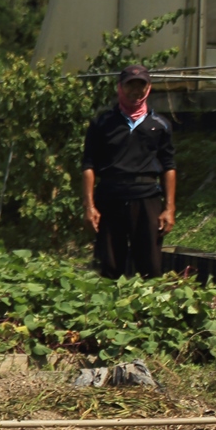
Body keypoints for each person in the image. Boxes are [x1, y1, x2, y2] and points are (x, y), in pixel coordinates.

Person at [81, 62, 175, 278]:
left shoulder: (160, 124)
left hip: (146, 197)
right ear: (120, 87)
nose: (136, 91)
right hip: (111, 196)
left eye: (141, 85)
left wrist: (169, 208)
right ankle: (109, 309)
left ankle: (147, 310)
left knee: (150, 265)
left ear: (148, 88)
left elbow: (169, 167)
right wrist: (89, 206)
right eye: (130, 85)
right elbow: (89, 165)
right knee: (110, 265)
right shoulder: (103, 123)